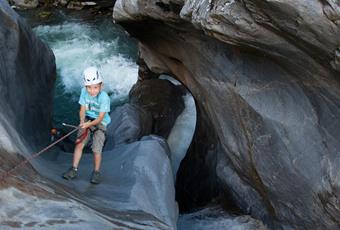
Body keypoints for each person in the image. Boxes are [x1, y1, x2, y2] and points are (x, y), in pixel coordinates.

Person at [62, 66, 111, 184]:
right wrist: (82, 121)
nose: (92, 90)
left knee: (96, 149)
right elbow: (82, 109)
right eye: (89, 87)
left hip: (100, 123)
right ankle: (73, 169)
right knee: (79, 144)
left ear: (101, 86)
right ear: (85, 87)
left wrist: (89, 124)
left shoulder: (104, 98)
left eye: (95, 87)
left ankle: (96, 172)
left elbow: (100, 118)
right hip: (87, 119)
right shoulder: (84, 92)